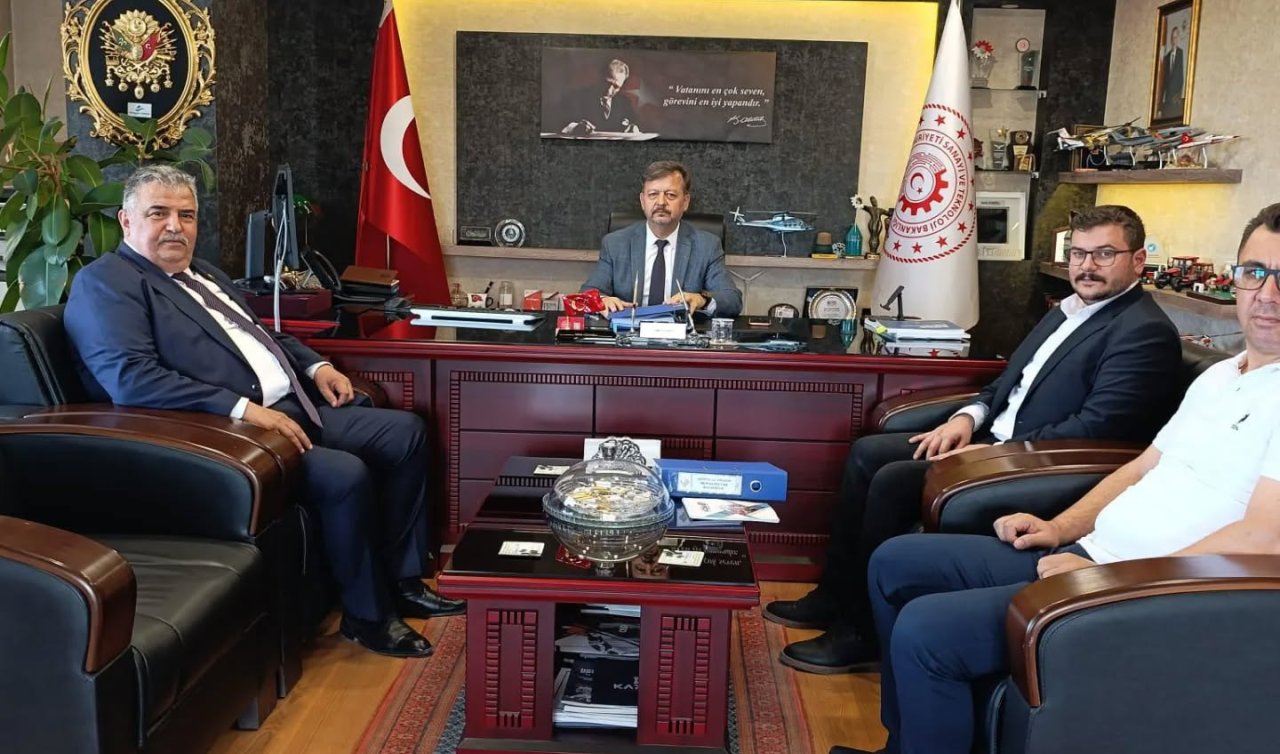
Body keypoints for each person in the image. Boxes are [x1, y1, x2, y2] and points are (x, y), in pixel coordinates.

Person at [832, 202, 1280, 754]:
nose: (1267, 294)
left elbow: (1265, 538)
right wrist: (1059, 528)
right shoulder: (1221, 375)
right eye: (1255, 272)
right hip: (1094, 554)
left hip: (1143, 590)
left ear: (1138, 260)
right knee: (894, 561)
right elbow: (1143, 465)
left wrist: (1110, 578)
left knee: (928, 629)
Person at [63, 165, 464, 659]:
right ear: (126, 221)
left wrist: (316, 366)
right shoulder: (106, 283)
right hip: (228, 432)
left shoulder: (204, 273)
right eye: (158, 213)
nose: (175, 227)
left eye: (186, 216)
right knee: (345, 474)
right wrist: (246, 410)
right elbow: (132, 378)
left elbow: (261, 335)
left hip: (293, 407)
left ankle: (403, 581)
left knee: (405, 434)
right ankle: (367, 616)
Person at [764, 205, 1182, 674]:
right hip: (994, 441)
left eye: (1104, 254)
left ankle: (861, 634)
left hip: (1032, 465)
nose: (1086, 266)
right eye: (1079, 254)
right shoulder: (1067, 310)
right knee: (867, 453)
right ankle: (836, 594)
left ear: (1138, 260)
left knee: (893, 479)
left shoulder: (1143, 331)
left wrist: (999, 452)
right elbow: (1009, 382)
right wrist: (967, 417)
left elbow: (1098, 427)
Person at [581, 160, 742, 316]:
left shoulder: (707, 246)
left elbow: (732, 300)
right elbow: (587, 293)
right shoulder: (615, 243)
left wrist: (702, 300)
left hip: (681, 331)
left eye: (670, 195)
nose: (661, 202)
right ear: (642, 201)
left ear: (685, 201)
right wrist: (602, 300)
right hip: (629, 331)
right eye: (653, 194)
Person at [559, 58, 642, 136]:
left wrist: (633, 128)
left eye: (616, 87)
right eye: (607, 83)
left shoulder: (624, 102)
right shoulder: (576, 97)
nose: (609, 90)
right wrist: (575, 128)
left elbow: (635, 124)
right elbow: (559, 123)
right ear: (599, 78)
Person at [1157, 24, 1186, 120]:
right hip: (1167, 102)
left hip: (1176, 102)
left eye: (1176, 37)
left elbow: (1181, 78)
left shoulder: (1182, 54)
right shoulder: (1167, 57)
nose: (1174, 40)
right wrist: (1160, 106)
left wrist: (1177, 98)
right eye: (1172, 38)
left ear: (1178, 39)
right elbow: (1164, 82)